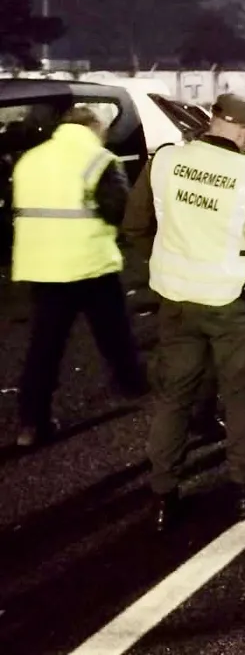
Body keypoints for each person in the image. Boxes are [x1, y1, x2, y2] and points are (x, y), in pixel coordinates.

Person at [123, 94, 245, 529]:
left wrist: (166, 261)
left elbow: (136, 225)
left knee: (173, 397)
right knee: (239, 395)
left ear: (214, 119)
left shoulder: (164, 162)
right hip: (229, 299)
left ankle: (163, 495)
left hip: (175, 297)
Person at [11, 106, 148, 448]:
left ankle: (32, 423)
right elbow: (120, 210)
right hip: (89, 262)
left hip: (40, 265)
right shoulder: (99, 160)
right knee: (114, 333)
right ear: (93, 128)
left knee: (44, 347)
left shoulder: (30, 159)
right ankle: (133, 385)